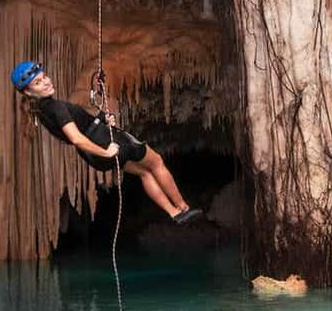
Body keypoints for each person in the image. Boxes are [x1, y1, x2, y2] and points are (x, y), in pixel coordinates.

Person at [11, 60, 202, 224]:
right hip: (103, 144)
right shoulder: (56, 107)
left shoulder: (41, 111)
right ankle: (183, 207)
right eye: (38, 82)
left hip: (94, 153)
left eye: (44, 77)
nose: (46, 82)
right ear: (28, 91)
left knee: (144, 173)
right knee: (157, 162)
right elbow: (76, 138)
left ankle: (174, 213)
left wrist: (101, 119)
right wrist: (106, 151)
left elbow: (83, 127)